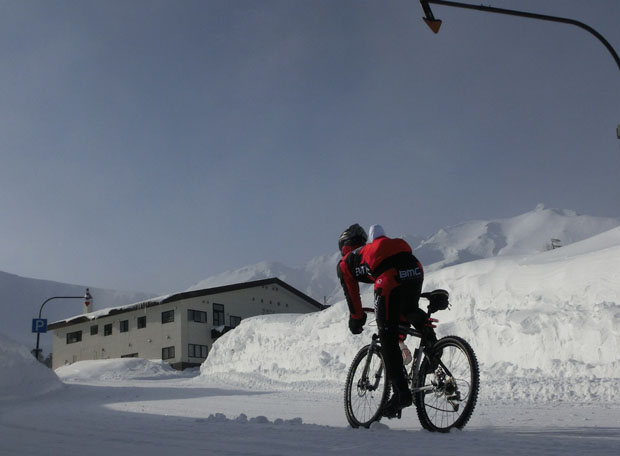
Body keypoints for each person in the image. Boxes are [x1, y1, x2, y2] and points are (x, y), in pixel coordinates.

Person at [337, 223, 435, 418]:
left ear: (344, 247)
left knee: (386, 335)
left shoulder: (347, 262)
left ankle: (401, 394)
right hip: (415, 268)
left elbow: (352, 294)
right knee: (408, 309)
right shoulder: (374, 249)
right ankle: (432, 344)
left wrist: (356, 319)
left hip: (390, 275)